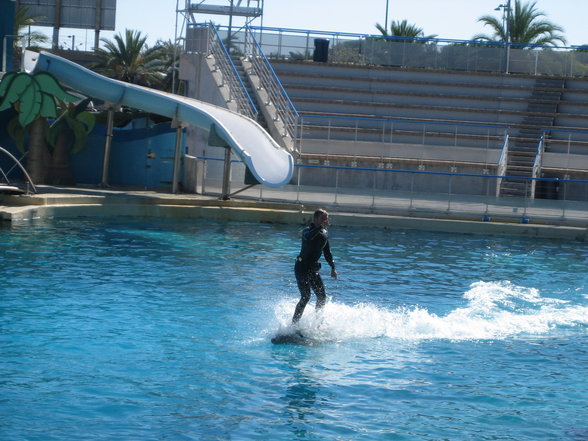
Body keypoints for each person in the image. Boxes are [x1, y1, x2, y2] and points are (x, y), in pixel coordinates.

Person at [292, 209, 338, 324]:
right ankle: (293, 326)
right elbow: (310, 237)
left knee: (322, 297)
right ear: (316, 218)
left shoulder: (324, 233)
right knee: (306, 296)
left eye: (326, 218)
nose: (325, 221)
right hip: (301, 267)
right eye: (323, 218)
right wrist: (319, 227)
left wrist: (332, 267)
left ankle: (316, 324)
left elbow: (327, 252)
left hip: (313, 269)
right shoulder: (307, 231)